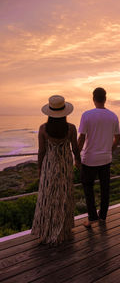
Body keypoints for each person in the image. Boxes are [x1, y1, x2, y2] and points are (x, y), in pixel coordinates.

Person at [31, 95, 81, 245]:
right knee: (63, 195)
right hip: (65, 165)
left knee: (48, 197)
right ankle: (63, 231)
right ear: (65, 112)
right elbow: (75, 149)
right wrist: (78, 161)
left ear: (49, 112)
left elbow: (41, 151)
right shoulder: (71, 128)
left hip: (50, 166)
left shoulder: (43, 129)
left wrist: (40, 168)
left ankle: (46, 231)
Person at [78, 87, 120, 228]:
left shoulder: (87, 115)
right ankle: (102, 217)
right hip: (106, 159)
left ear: (93, 98)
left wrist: (77, 157)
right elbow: (118, 138)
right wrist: (109, 150)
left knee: (88, 187)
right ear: (105, 98)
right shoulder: (113, 116)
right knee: (105, 188)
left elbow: (81, 138)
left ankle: (92, 218)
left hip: (89, 159)